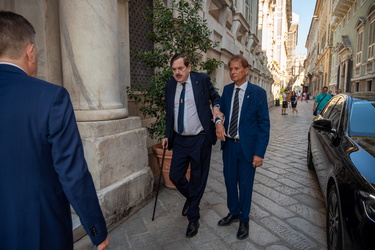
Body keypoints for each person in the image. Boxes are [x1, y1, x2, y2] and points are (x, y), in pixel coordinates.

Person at [0, 11, 109, 250]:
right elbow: (73, 174)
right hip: (41, 232)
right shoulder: (50, 97)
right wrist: (97, 230)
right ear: (30, 52)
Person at [162, 53, 221, 238]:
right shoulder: (171, 85)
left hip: (200, 138)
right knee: (175, 175)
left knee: (198, 178)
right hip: (179, 139)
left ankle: (193, 217)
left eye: (180, 68)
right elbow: (169, 113)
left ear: (188, 67)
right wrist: (166, 134)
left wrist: (217, 110)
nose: (177, 73)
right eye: (174, 69)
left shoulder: (201, 79)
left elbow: (215, 97)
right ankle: (192, 198)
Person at [215, 55, 270, 240]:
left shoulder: (258, 93)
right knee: (230, 181)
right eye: (231, 69)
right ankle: (233, 212)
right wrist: (218, 122)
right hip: (229, 146)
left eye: (237, 68)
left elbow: (264, 125)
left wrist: (259, 153)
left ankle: (244, 219)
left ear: (246, 70)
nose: (233, 72)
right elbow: (220, 112)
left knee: (245, 185)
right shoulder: (227, 90)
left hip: (247, 148)